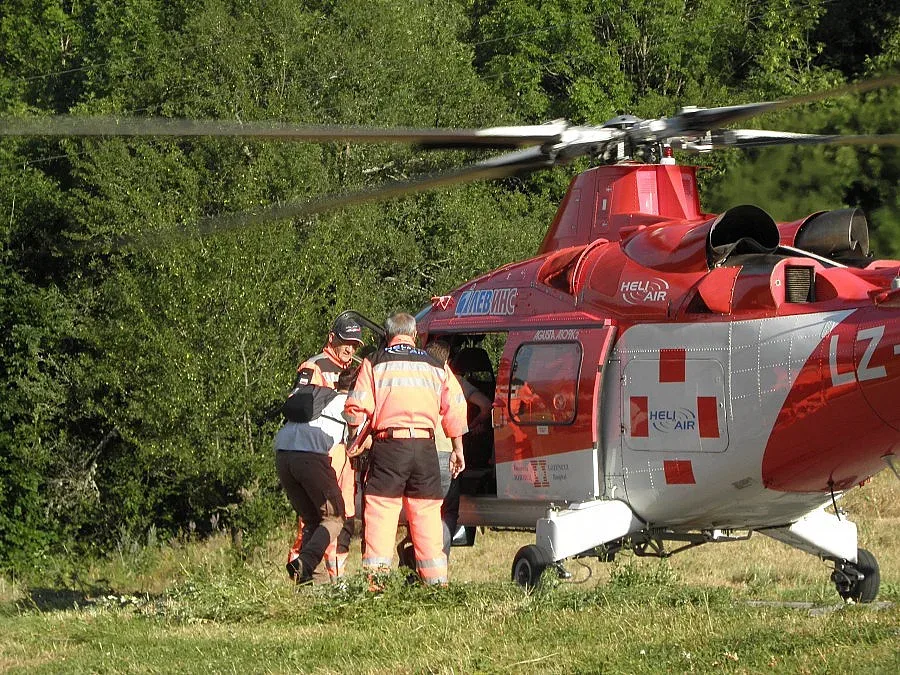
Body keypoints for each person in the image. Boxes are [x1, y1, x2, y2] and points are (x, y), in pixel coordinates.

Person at [344, 312, 467, 585]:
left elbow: (355, 409)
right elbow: (456, 406)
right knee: (426, 515)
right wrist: (458, 449)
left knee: (381, 512)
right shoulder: (435, 364)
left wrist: (356, 440)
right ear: (414, 336)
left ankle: (377, 584)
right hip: (425, 449)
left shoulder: (374, 362)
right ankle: (436, 583)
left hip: (389, 447)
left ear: (388, 336)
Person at [285, 315, 364, 578]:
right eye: (346, 343)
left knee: (345, 520)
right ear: (332, 338)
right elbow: (298, 406)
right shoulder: (314, 366)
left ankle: (337, 581)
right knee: (319, 518)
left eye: (354, 345)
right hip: (319, 451)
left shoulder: (356, 367)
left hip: (345, 454)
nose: (350, 349)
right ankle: (302, 575)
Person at [274, 365, 358, 584]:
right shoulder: (350, 404)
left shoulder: (322, 398)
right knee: (335, 516)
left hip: (283, 455)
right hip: (310, 458)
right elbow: (357, 443)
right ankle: (307, 562)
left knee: (313, 519)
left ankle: (310, 583)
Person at [424, 339, 492, 561]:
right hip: (444, 450)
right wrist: (470, 429)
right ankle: (437, 560)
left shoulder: (414, 378)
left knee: (422, 511)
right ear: (448, 361)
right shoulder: (454, 381)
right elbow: (485, 406)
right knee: (447, 511)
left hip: (413, 449)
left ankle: (415, 554)